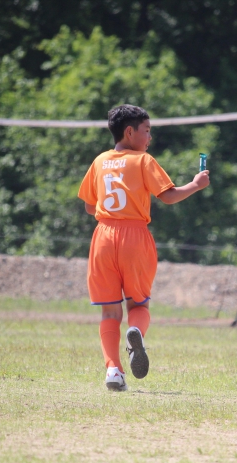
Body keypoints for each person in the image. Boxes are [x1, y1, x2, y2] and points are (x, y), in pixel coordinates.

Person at [78, 104, 210, 391]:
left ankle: (113, 371)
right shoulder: (143, 160)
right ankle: (135, 331)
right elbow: (169, 196)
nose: (150, 137)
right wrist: (196, 185)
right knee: (138, 304)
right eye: (147, 131)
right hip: (134, 237)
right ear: (130, 132)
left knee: (109, 312)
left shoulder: (99, 161)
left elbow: (89, 206)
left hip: (103, 237)